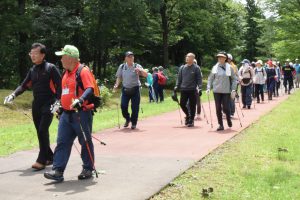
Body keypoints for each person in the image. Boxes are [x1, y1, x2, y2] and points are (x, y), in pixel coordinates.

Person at [3, 43, 61, 170]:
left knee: (42, 130)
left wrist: (58, 103)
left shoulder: (51, 68)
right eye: (31, 53)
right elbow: (23, 85)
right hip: (36, 104)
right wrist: (13, 95)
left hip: (49, 103)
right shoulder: (32, 70)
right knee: (40, 132)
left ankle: (41, 160)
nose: (32, 56)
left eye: (35, 53)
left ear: (43, 54)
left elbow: (60, 87)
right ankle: (50, 156)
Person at [44, 45, 96, 181]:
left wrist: (81, 100)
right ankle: (58, 171)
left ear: (71, 58)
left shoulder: (83, 71)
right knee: (62, 142)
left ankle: (88, 168)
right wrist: (60, 106)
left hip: (81, 113)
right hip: (66, 115)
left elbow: (90, 88)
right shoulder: (65, 73)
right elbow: (64, 92)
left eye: (63, 56)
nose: (61, 59)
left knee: (85, 141)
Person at [113, 51, 147, 129]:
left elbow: (145, 75)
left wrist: (140, 71)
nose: (131, 58)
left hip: (135, 89)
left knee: (135, 107)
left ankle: (134, 123)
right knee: (123, 106)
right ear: (125, 58)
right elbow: (119, 77)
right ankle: (127, 119)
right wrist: (116, 85)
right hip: (125, 90)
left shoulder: (137, 66)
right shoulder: (122, 67)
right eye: (129, 57)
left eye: (132, 56)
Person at [207, 52, 237, 131]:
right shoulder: (215, 67)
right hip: (216, 91)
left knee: (226, 108)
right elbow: (210, 78)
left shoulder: (229, 67)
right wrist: (208, 87)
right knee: (217, 108)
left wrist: (233, 89)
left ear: (225, 58)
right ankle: (220, 124)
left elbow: (234, 79)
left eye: (222, 57)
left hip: (226, 91)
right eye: (219, 57)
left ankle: (228, 119)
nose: (220, 59)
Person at [175, 53, 202, 127]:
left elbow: (199, 79)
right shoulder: (182, 68)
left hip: (192, 89)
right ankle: (188, 115)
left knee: (192, 105)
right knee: (182, 104)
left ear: (193, 59)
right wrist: (177, 86)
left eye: (189, 57)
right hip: (183, 89)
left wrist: (200, 88)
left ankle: (191, 120)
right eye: (186, 57)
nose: (187, 58)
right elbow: (179, 78)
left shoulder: (196, 68)